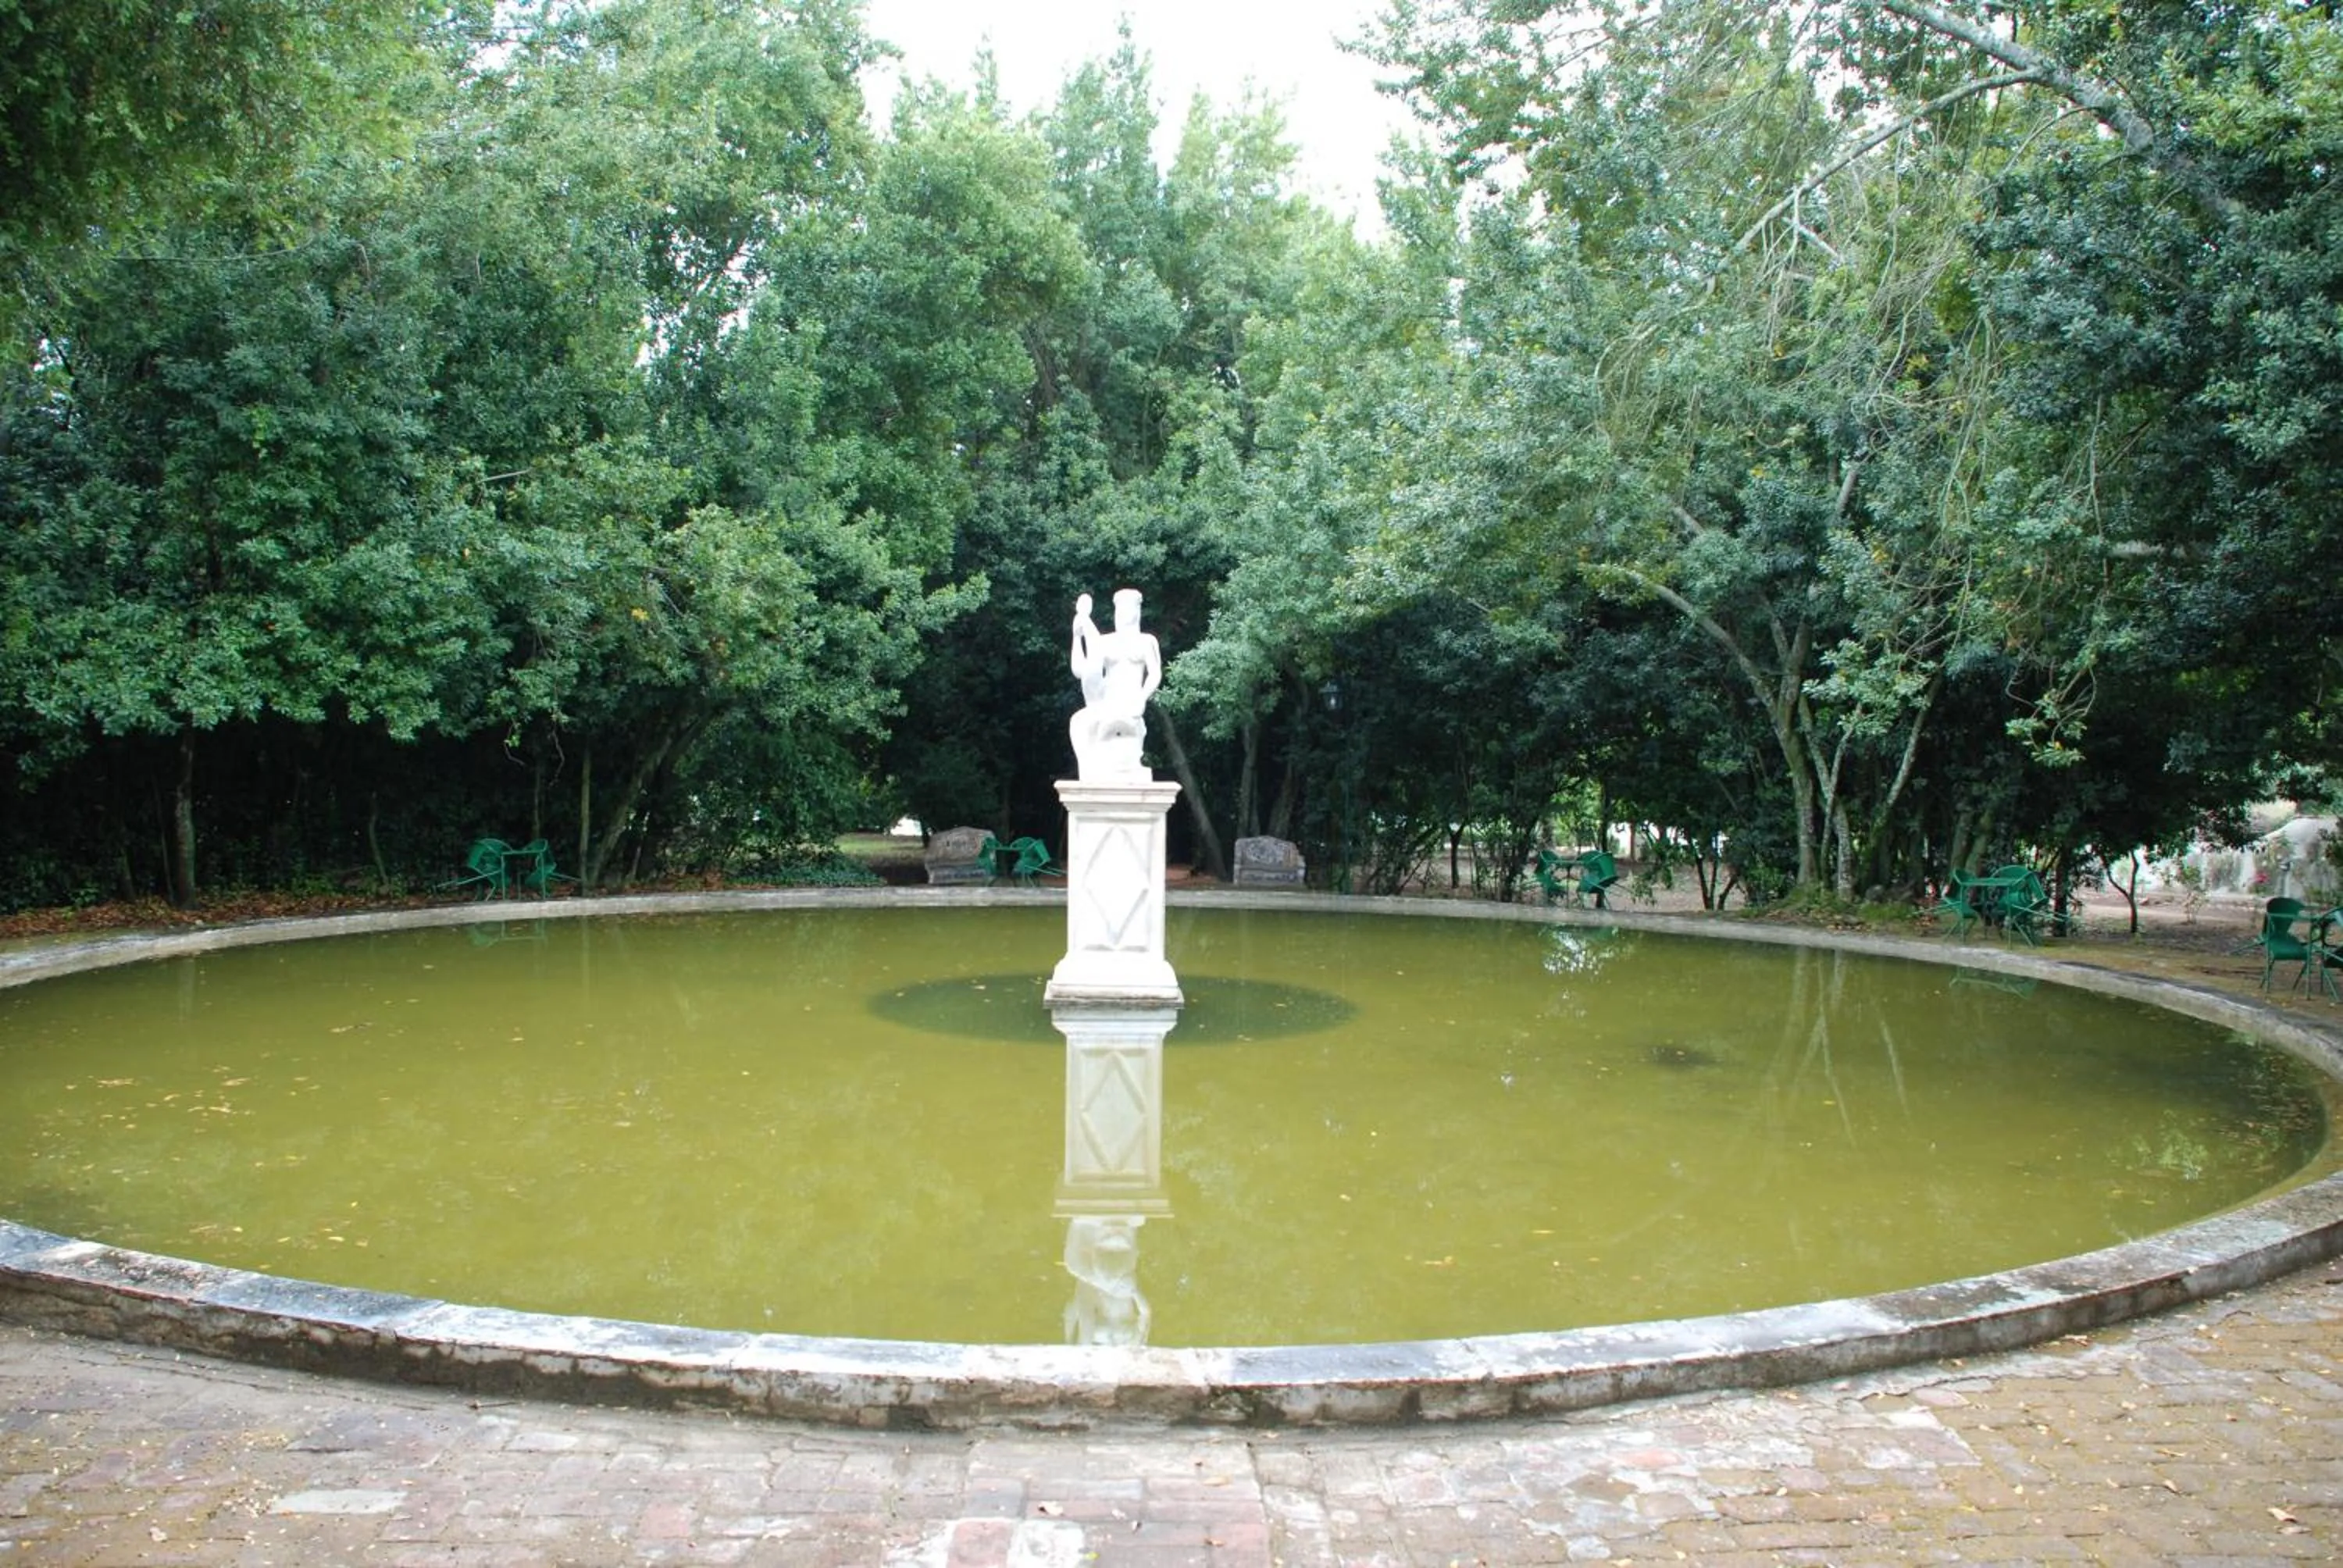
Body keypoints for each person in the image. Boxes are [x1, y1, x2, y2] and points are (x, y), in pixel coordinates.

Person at [1068, 589, 1161, 779]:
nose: (1123, 613)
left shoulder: (1146, 641)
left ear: (1137, 610)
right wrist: (1077, 637)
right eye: (1120, 608)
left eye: (1128, 607)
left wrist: (1142, 697)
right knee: (1079, 723)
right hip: (1107, 701)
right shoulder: (1106, 642)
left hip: (1131, 703)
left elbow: (1155, 674)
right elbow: (1082, 670)